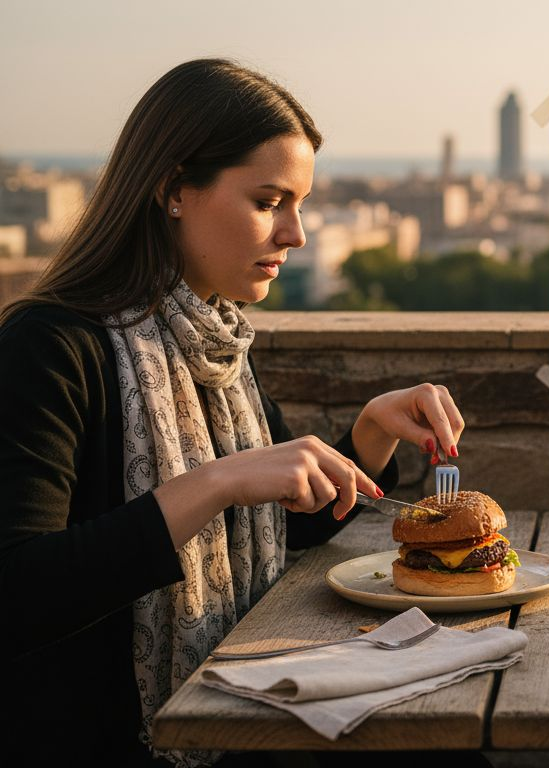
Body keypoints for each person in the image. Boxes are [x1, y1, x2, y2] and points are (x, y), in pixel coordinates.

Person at [0, 59, 465, 766]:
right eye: (269, 201)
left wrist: (369, 432)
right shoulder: (49, 346)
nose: (295, 235)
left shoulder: (210, 336)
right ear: (174, 190)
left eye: (299, 205)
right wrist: (214, 483)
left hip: (245, 711)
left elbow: (287, 522)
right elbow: (19, 593)